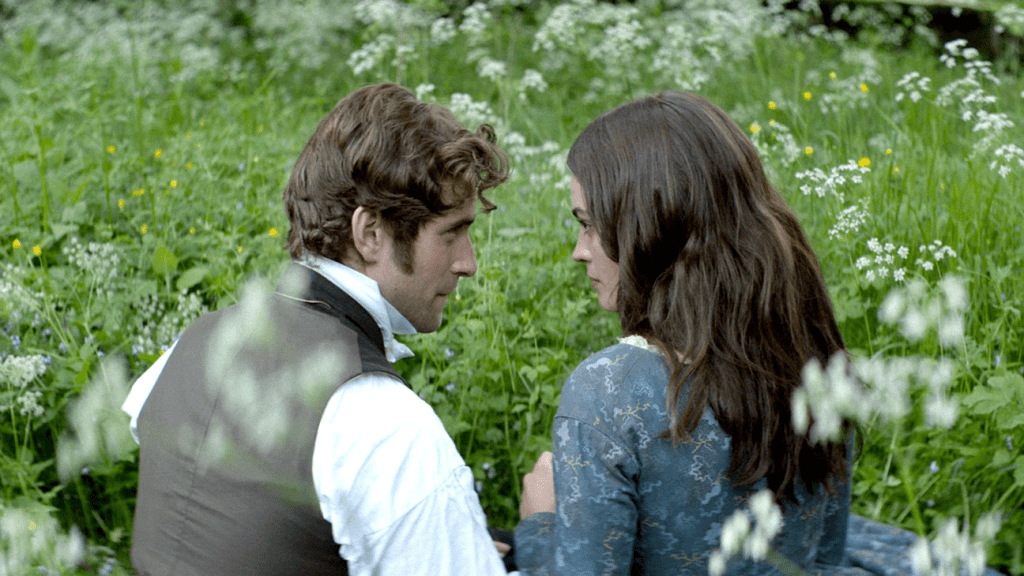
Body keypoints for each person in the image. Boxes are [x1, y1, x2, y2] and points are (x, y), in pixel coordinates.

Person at [511, 90, 998, 576]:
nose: (580, 250)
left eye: (590, 225)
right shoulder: (813, 362)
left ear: (649, 228)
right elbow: (824, 561)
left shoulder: (607, 391)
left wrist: (539, 525)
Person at [121, 82, 514, 575]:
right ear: (371, 233)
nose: (468, 263)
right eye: (453, 232)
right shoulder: (384, 424)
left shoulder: (188, 346)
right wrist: (541, 533)